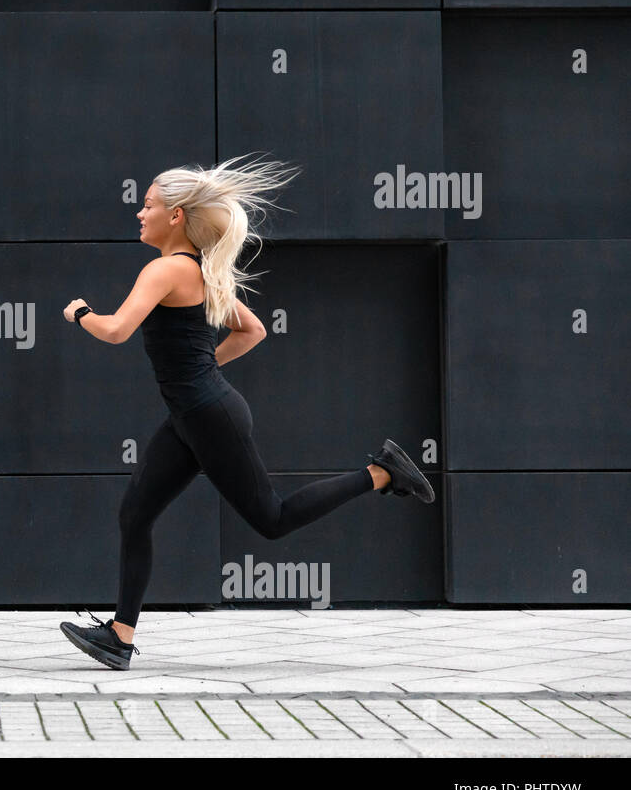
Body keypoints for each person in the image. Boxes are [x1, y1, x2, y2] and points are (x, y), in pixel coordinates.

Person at [58, 153, 434, 671]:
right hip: (195, 415)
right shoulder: (198, 270)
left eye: (147, 206)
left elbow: (117, 330)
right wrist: (202, 366)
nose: (138, 214)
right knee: (135, 513)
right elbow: (252, 330)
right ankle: (119, 636)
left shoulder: (165, 269)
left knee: (272, 520)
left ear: (175, 216)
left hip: (209, 416)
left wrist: (80, 314)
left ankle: (381, 473)